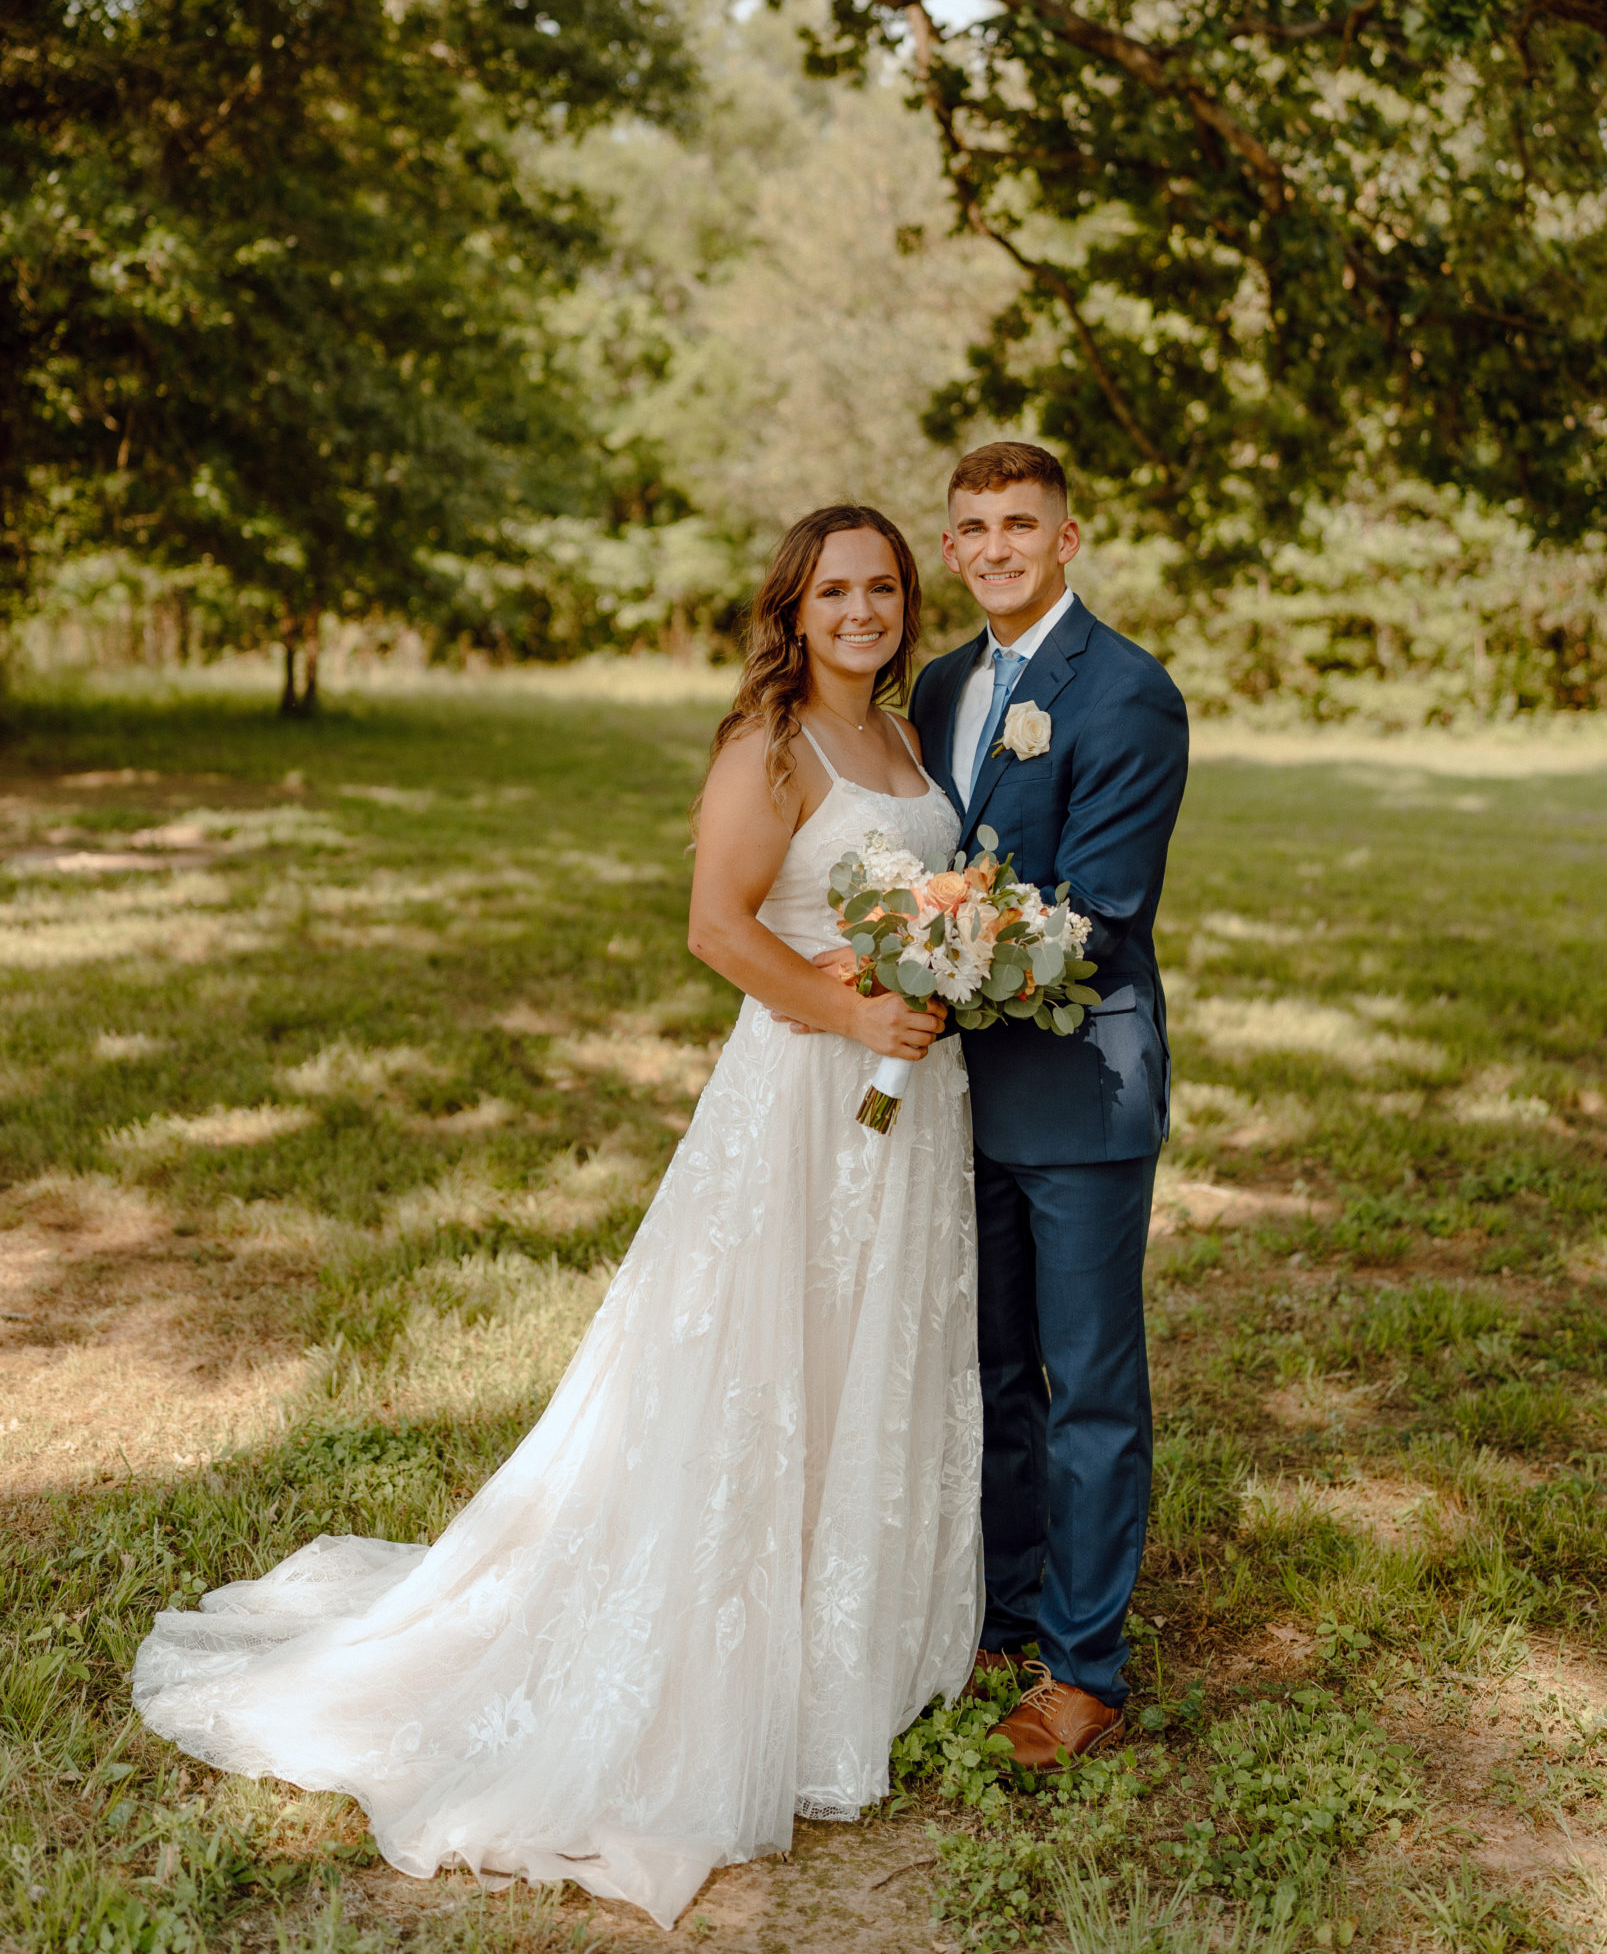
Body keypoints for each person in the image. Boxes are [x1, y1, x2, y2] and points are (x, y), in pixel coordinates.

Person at [132, 505, 980, 1934]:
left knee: (866, 1360)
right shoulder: (769, 746)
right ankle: (718, 1665)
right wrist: (856, 1010)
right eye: (835, 588)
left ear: (907, 602)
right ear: (793, 604)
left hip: (904, 1110)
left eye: (883, 586)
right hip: (802, 1097)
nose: (862, 609)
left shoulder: (907, 741)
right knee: (757, 1377)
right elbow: (718, 928)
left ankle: (848, 1663)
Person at [910, 442, 1188, 1768]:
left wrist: (928, 964)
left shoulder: (1129, 693)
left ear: (1069, 539)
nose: (998, 545)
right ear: (952, 549)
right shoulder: (942, 684)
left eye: (1023, 522)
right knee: (989, 1373)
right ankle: (1006, 1616)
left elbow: (1101, 913)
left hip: (1077, 1090)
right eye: (974, 527)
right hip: (957, 1095)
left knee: (1087, 1389)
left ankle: (1085, 1667)